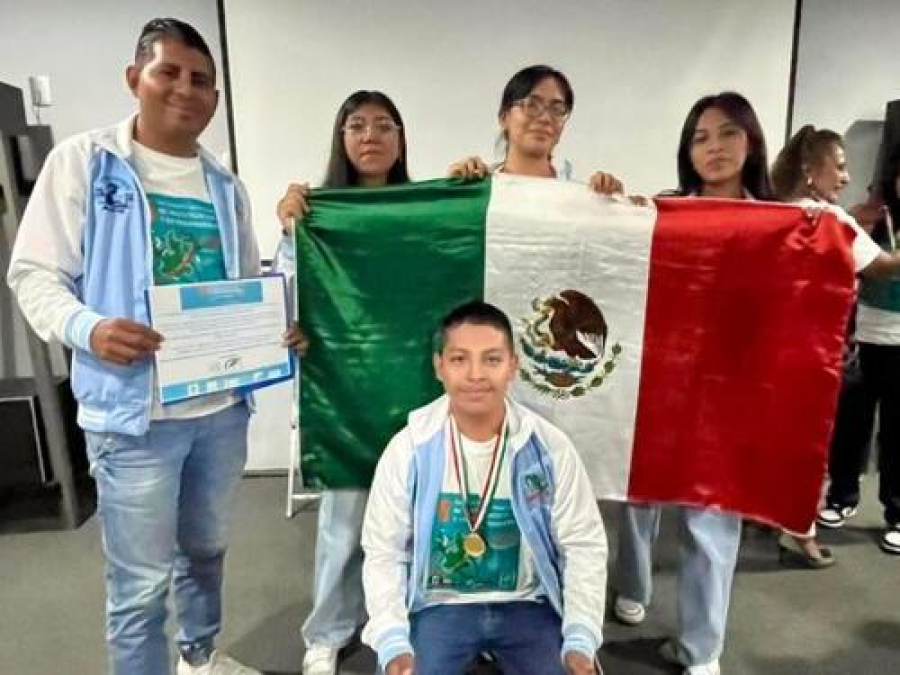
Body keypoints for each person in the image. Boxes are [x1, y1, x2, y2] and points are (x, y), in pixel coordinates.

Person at [5, 18, 307, 675]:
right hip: (135, 418)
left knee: (206, 551)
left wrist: (273, 324)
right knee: (139, 587)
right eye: (168, 72)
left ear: (216, 97)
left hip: (220, 412)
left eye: (201, 79)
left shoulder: (224, 185)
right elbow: (32, 274)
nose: (185, 89)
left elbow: (242, 284)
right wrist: (88, 328)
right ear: (134, 78)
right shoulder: (86, 163)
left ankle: (198, 658)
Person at [360, 300, 606, 675]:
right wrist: (392, 640)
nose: (476, 374)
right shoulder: (410, 449)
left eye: (491, 359)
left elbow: (583, 544)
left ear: (513, 366)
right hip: (439, 607)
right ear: (439, 367)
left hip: (528, 605)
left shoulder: (548, 448)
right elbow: (384, 550)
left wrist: (580, 637)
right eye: (460, 359)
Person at [274, 90, 411, 675]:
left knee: (418, 517)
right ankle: (328, 630)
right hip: (344, 387)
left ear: (401, 139)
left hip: (413, 382)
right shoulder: (316, 213)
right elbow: (287, 290)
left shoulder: (423, 210)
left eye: (384, 125)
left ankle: (405, 621)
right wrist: (292, 323)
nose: (370, 136)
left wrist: (471, 179)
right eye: (357, 125)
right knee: (343, 521)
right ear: (342, 138)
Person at [769, 125, 855, 568]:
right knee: (809, 447)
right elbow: (882, 265)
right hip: (813, 356)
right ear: (809, 170)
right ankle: (799, 533)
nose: (846, 176)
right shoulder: (832, 222)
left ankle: (769, 515)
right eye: (839, 166)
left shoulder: (774, 213)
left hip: (773, 352)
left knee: (774, 442)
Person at [816, 144, 900, 555]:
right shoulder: (869, 216)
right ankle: (841, 496)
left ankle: (897, 512)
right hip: (864, 335)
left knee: (897, 433)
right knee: (852, 425)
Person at [447, 64, 623, 192]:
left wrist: (614, 207)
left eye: (557, 109)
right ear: (504, 117)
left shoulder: (581, 196)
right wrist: (453, 190)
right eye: (532, 105)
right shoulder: (480, 189)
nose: (545, 118)